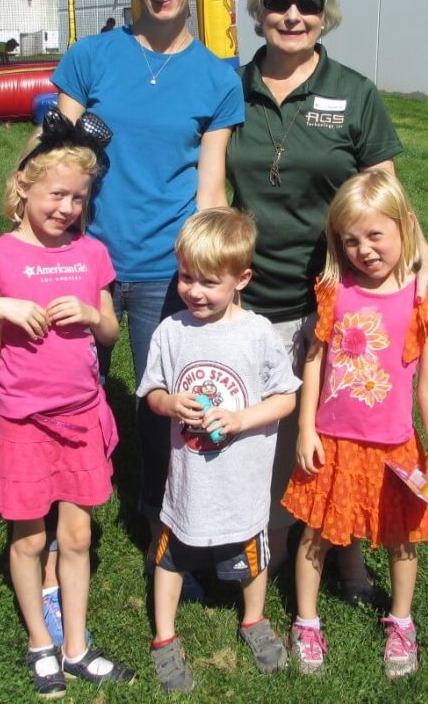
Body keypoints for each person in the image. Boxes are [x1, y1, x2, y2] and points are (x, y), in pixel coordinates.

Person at [226, 0, 428, 589]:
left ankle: (344, 552)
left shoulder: (354, 93)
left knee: (345, 430)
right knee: (265, 439)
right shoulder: (231, 88)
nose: (292, 15)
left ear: (326, 13)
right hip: (251, 296)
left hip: (338, 298)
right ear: (258, 10)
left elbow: (389, 198)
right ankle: (264, 552)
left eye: (309, 3)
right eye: (278, 2)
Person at [53, 0, 244, 559]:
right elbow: (53, 161)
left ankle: (162, 526)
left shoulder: (217, 79)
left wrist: (220, 281)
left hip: (168, 270)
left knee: (164, 409)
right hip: (87, 264)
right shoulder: (91, 57)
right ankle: (64, 518)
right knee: (71, 394)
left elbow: (210, 190)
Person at [0, 109, 135, 698]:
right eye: (56, 194)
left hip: (82, 413)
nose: (67, 208)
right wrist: (0, 310)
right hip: (25, 419)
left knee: (78, 537)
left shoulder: (92, 254)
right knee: (28, 538)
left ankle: (77, 647)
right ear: (23, 186)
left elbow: (110, 331)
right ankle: (41, 643)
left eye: (78, 198)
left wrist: (93, 313)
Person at [281, 169, 428, 679]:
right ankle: (306, 623)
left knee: (401, 539)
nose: (364, 250)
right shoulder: (334, 292)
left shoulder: (422, 301)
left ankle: (401, 622)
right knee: (315, 535)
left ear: (405, 226)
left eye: (375, 235)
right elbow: (314, 361)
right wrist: (306, 428)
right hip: (332, 442)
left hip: (395, 446)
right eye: (350, 240)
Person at [137, 208, 300, 693]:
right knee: (170, 558)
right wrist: (169, 403)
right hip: (188, 486)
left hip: (241, 484)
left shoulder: (258, 333)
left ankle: (254, 619)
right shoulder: (171, 331)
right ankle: (164, 637)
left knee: (252, 556)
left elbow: (286, 398)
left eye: (209, 282)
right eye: (186, 277)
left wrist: (240, 419)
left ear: (241, 279)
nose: (195, 291)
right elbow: (152, 392)